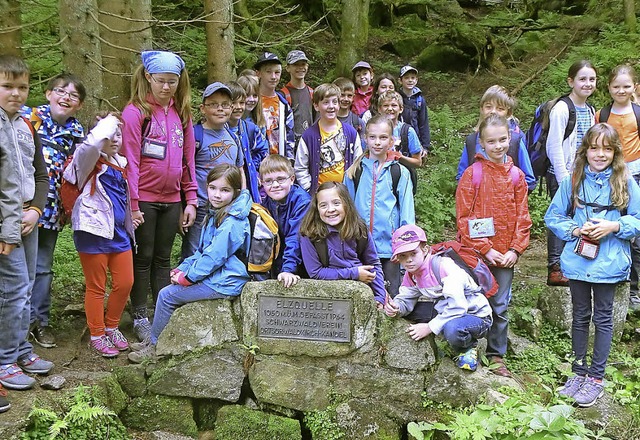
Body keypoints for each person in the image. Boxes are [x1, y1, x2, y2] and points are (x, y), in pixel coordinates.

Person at [545, 123, 640, 407]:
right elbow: (553, 216)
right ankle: (577, 372)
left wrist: (614, 225)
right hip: (578, 259)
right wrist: (575, 231)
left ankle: (595, 379)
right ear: (585, 150)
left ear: (615, 152)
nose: (600, 154)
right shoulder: (573, 179)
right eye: (594, 148)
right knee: (579, 315)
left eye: (607, 149)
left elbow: (637, 218)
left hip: (609, 263)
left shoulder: (625, 181)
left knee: (603, 318)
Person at [128, 164, 252, 363]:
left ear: (236, 192)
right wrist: (183, 268)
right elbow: (202, 251)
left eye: (225, 190)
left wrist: (189, 277)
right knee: (170, 289)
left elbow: (214, 258)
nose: (217, 195)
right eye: (213, 188)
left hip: (227, 282)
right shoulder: (217, 213)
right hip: (217, 276)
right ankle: (152, 341)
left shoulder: (233, 221)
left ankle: (155, 347)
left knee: (166, 295)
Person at [121, 50, 198, 341]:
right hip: (144, 200)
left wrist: (190, 199)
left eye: (172, 82)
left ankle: (161, 311)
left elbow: (187, 159)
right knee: (143, 257)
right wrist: (134, 203)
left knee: (164, 258)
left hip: (172, 199)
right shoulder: (136, 112)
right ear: (148, 78)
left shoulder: (182, 113)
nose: (166, 87)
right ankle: (139, 313)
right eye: (160, 81)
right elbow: (130, 159)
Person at [456, 114, 531, 378]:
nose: (497, 146)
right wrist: (486, 249)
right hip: (476, 254)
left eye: (502, 140)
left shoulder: (517, 177)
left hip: (506, 255)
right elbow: (464, 217)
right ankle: (468, 347)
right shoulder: (472, 175)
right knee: (472, 301)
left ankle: (496, 353)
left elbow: (523, 216)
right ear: (481, 143)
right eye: (491, 141)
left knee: (500, 305)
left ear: (510, 139)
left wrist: (515, 250)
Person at [63, 113, 138, 357]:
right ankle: (97, 334)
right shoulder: (85, 161)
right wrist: (108, 121)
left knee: (125, 282)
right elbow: (92, 144)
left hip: (118, 233)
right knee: (96, 287)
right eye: (109, 134)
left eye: (118, 133)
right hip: (93, 233)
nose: (115, 138)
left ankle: (112, 326)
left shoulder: (122, 163)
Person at [0, 55, 53, 395]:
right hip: (5, 225)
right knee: (13, 292)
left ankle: (21, 352)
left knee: (28, 285)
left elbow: (41, 175)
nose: (16, 93)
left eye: (22, 87)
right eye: (7, 86)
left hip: (27, 220)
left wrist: (36, 209)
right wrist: (6, 228)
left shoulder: (26, 125)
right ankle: (4, 360)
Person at [21, 73, 86, 348]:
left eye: (73, 96)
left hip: (51, 211)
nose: (66, 98)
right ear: (48, 93)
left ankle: (39, 323)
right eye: (61, 91)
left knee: (42, 268)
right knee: (15, 268)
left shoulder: (77, 132)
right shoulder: (28, 116)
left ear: (79, 105)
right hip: (20, 205)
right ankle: (15, 324)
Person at [383, 224, 493, 371]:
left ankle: (468, 347)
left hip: (475, 315)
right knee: (412, 312)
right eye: (403, 256)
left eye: (413, 254)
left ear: (425, 250)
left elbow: (458, 307)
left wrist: (429, 327)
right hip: (447, 310)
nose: (409, 260)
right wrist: (396, 308)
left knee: (453, 329)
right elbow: (406, 298)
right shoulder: (412, 274)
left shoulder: (444, 267)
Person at [344, 115, 414, 298]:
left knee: (390, 295)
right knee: (360, 297)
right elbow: (346, 210)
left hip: (389, 249)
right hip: (359, 246)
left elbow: (407, 213)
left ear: (392, 140)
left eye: (383, 137)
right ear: (365, 138)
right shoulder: (354, 171)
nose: (377, 142)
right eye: (373, 137)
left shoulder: (399, 172)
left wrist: (404, 246)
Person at [546, 60, 597, 286]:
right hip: (563, 174)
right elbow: (553, 145)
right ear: (571, 81)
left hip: (583, 175)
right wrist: (563, 178)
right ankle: (555, 267)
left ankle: (574, 262)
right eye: (582, 79)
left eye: (592, 79)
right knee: (560, 218)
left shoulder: (591, 110)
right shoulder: (562, 108)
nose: (587, 84)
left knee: (577, 218)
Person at [183, 82, 246, 260]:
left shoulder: (233, 136)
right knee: (195, 251)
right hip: (201, 206)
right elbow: (185, 170)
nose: (220, 109)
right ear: (203, 109)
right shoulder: (195, 135)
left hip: (228, 208)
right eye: (214, 104)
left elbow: (239, 169)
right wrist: (188, 204)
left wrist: (242, 198)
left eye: (225, 105)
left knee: (221, 252)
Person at [596, 65, 640, 313]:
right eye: (616, 86)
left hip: (635, 175)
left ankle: (633, 289)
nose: (621, 90)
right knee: (611, 227)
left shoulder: (638, 113)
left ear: (634, 87)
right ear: (609, 88)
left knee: (635, 235)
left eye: (626, 86)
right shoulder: (602, 114)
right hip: (609, 178)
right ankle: (610, 276)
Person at [299, 181, 387, 307]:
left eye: (336, 203)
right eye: (323, 205)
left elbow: (373, 264)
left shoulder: (360, 229)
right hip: (326, 293)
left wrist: (380, 296)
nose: (330, 209)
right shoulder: (309, 234)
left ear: (346, 204)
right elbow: (316, 272)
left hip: (362, 288)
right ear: (317, 209)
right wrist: (354, 273)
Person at [456, 85, 536, 191]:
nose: (493, 111)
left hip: (507, 203)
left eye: (500, 109)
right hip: (478, 203)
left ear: (508, 113)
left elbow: (529, 181)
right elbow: (461, 178)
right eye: (488, 107)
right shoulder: (472, 141)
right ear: (481, 109)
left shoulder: (515, 141)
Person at [294, 83, 362, 194]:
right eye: (326, 102)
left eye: (335, 102)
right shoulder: (309, 136)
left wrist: (352, 187)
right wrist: (310, 189)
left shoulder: (351, 133)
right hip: (319, 194)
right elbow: (300, 167)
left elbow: (358, 162)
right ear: (316, 106)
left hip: (345, 193)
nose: (331, 106)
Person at [259, 154, 311, 287]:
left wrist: (288, 269)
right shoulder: (267, 202)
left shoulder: (302, 202)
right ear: (262, 182)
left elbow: (296, 237)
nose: (275, 185)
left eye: (280, 179)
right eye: (269, 181)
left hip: (302, 262)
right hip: (280, 260)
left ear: (292, 179)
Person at [227, 81, 269, 203]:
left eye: (241, 103)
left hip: (250, 182)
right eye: (233, 103)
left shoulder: (250, 129)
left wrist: (255, 168)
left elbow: (263, 150)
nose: (238, 107)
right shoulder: (220, 130)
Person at [254, 52, 295, 159]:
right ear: (258, 73)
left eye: (277, 72)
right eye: (268, 72)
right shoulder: (252, 102)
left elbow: (290, 137)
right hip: (258, 163)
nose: (273, 77)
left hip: (279, 162)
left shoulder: (284, 105)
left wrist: (289, 161)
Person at [377, 91, 422, 175]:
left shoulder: (407, 131)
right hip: (378, 176)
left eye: (394, 105)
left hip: (401, 177)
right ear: (379, 109)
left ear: (401, 109)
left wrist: (399, 157)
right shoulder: (373, 130)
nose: (390, 109)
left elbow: (418, 162)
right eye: (386, 105)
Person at [281, 50, 314, 145]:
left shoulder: (312, 92)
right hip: (291, 145)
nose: (300, 67)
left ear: (307, 66)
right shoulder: (283, 95)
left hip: (309, 142)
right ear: (288, 68)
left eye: (303, 64)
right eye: (296, 64)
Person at [398, 65, 431, 151]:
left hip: (416, 139)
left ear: (416, 80)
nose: (410, 80)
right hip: (398, 137)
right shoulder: (397, 98)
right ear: (400, 81)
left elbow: (423, 123)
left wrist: (425, 146)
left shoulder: (419, 100)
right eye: (406, 78)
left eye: (412, 78)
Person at [332, 77, 365, 146]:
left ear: (353, 97)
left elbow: (363, 147)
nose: (346, 99)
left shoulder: (357, 122)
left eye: (349, 96)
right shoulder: (325, 120)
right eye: (342, 95)